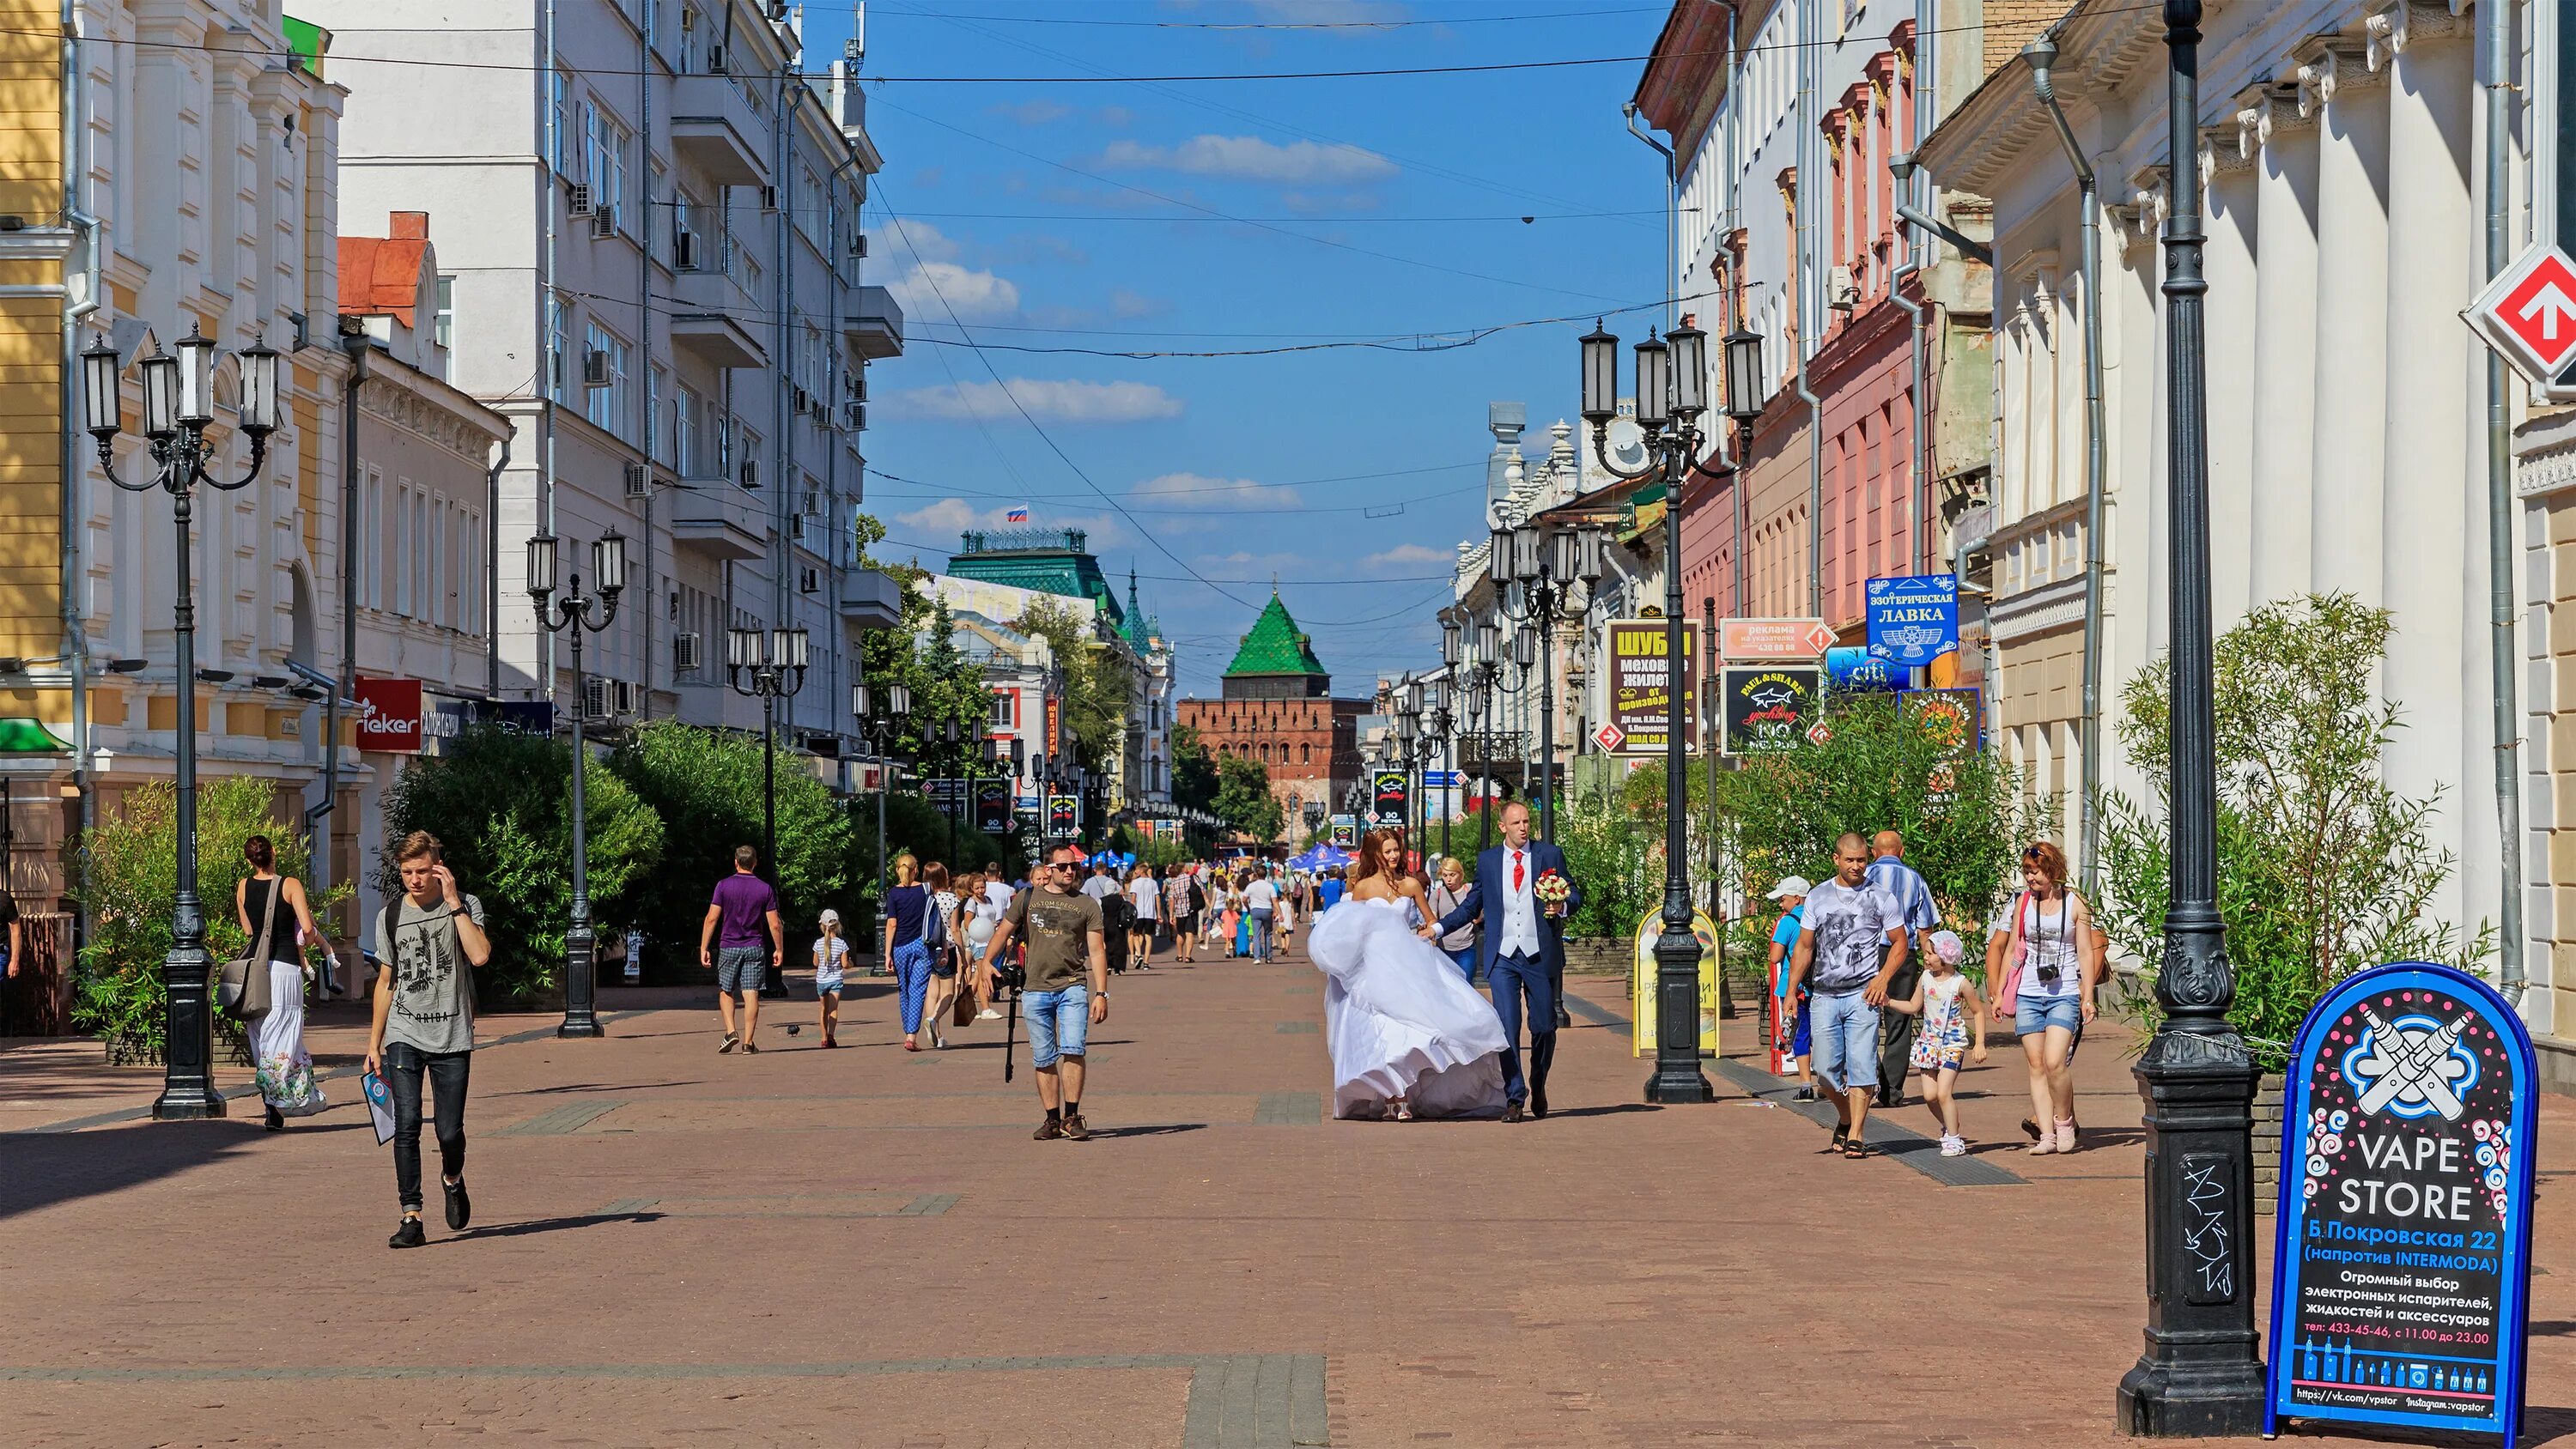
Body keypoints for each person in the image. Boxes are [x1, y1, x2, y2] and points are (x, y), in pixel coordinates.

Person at [1312, 829, 1508, 1120]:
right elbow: (1348, 928)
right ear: (1375, 854)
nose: (1393, 856)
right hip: (1373, 968)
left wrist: (1426, 935)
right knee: (1384, 1032)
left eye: (1396, 851)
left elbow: (1430, 921)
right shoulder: (1363, 887)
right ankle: (1394, 1096)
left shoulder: (1411, 884)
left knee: (1414, 1030)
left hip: (1407, 963)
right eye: (1387, 851)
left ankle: (1403, 1094)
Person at [364, 831, 491, 1249]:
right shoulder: (391, 915)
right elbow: (386, 983)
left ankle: (453, 1179)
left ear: (438, 867)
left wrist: (454, 904)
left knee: (449, 1131)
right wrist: (373, 1043)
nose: (414, 880)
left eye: (422, 871)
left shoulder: (466, 905)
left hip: (452, 1034)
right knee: (407, 1124)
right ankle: (411, 1215)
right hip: (405, 1033)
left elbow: (479, 955)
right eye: (406, 872)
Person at [1431, 800, 1582, 1123]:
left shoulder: (1549, 855)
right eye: (1516, 823)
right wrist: (1437, 928)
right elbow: (1472, 905)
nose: (1524, 828)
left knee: (1544, 1027)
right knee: (1506, 1028)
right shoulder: (1488, 861)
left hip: (1539, 954)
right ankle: (1515, 1097)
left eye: (1527, 822)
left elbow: (1574, 893)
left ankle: (1538, 1080)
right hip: (1503, 957)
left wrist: (1563, 905)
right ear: (1503, 827)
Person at [977, 842, 1110, 1141]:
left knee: (1074, 1050)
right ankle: (1052, 1119)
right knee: (1043, 1057)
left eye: (1073, 866)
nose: (1069, 871)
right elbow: (1003, 932)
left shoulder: (1087, 904)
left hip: (1072, 986)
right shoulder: (1027, 898)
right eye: (1062, 866)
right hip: (1035, 989)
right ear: (1048, 869)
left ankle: (1072, 1117)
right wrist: (985, 962)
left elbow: (1097, 951)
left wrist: (1102, 993)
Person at [1787, 834, 1909, 1160]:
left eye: (1861, 860)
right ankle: (1844, 1116)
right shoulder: (1818, 896)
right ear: (1836, 859)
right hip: (1824, 994)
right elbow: (1805, 946)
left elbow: (1900, 943)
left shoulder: (1881, 897)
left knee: (1862, 1067)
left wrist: (1883, 979)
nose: (1856, 866)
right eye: (1850, 860)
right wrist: (1791, 991)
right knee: (1824, 1071)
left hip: (1863, 996)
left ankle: (1856, 1133)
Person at [1990, 841, 2102, 1155]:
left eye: (2035, 872)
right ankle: (2046, 1135)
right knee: (2036, 1065)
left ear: (2052, 870)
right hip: (2028, 992)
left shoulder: (2075, 904)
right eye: (2026, 871)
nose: (2030, 878)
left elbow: (2084, 951)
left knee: (2055, 1062)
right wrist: (2000, 992)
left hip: (2064, 992)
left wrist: (2087, 995)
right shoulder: (2022, 903)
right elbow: (2012, 949)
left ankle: (2064, 1122)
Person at [234, 835, 328, 1130]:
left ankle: (270, 1102)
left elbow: (249, 929)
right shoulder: (291, 885)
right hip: (286, 968)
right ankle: (280, 1095)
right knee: (285, 1031)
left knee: (261, 1032)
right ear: (273, 853)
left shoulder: (243, 886)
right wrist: (311, 940)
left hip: (257, 970)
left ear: (249, 860)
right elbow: (309, 928)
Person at [1880, 928, 1987, 1155]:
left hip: (1952, 1044)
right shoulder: (1925, 978)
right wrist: (1889, 1002)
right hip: (1929, 1043)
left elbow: (1978, 1011)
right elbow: (1913, 1006)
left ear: (1946, 956)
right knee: (1930, 1096)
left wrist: (1979, 1043)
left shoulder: (1961, 984)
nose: (1926, 958)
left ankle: (1955, 1139)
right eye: (1925, 953)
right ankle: (1949, 1126)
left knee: (1943, 1092)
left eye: (1930, 954)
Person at [1865, 830, 1941, 1109]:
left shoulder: (1862, 878)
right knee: (1900, 1019)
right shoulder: (1915, 879)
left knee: (1863, 1015)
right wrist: (1929, 961)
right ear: (1902, 851)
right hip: (1902, 954)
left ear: (1873, 852)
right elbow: (1925, 927)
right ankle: (1891, 1089)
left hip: (1867, 954)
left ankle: (1868, 1076)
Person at [700, 845, 783, 1054]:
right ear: (755, 863)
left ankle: (730, 1031)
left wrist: (704, 947)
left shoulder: (723, 886)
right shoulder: (764, 889)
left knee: (726, 990)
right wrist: (779, 949)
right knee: (751, 992)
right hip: (754, 946)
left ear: (736, 862)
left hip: (729, 945)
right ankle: (748, 1042)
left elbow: (711, 919)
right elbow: (774, 924)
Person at [1765, 876, 1815, 1102]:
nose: (1780, 904)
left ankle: (1806, 1086)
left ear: (1796, 898)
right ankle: (1830, 1082)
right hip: (1820, 984)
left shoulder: (1787, 921)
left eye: (1783, 899)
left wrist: (1776, 941)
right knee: (1823, 1033)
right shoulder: (1819, 917)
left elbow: (1775, 957)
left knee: (1799, 1034)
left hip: (1795, 987)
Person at [882, 854, 934, 1052]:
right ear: (916, 869)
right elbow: (934, 918)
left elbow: (892, 924)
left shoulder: (893, 893)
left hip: (900, 947)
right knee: (918, 990)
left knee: (904, 990)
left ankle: (908, 1032)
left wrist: (887, 954)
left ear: (897, 870)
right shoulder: (926, 890)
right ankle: (911, 1035)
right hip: (922, 944)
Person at [924, 862, 962, 1047]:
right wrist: (962, 950)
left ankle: (937, 1035)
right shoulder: (951, 899)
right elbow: (954, 928)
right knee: (948, 992)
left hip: (928, 947)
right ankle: (934, 1019)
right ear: (943, 878)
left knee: (931, 992)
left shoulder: (925, 898)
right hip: (947, 947)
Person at [1427, 855, 1477, 982]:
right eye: (1445, 875)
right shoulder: (1437, 894)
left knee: (1466, 984)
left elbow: (1481, 909)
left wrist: (1479, 917)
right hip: (1444, 949)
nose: (1448, 879)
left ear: (1460, 874)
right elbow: (1431, 919)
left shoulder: (1469, 890)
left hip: (1466, 948)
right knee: (1447, 987)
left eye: (1452, 875)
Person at [1126, 864, 1160, 971]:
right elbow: (1157, 898)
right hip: (1151, 913)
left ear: (1141, 871)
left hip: (1139, 912)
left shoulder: (1135, 883)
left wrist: (1130, 911)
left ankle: (1139, 954)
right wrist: (1159, 913)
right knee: (1148, 937)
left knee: (1136, 935)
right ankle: (1146, 962)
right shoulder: (1153, 883)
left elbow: (1133, 899)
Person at [1242, 866, 1279, 963]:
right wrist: (1279, 912)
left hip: (1255, 910)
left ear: (1256, 874)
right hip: (1267, 910)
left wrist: (1248, 907)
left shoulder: (1251, 886)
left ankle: (1257, 957)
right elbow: (1275, 901)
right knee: (1268, 934)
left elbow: (1244, 899)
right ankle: (1269, 958)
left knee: (1256, 935)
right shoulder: (1270, 886)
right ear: (1266, 874)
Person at [1167, 866, 1200, 963]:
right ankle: (1188, 956)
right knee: (1190, 933)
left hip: (1179, 911)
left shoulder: (1174, 882)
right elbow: (1202, 890)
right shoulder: (1191, 879)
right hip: (1191, 909)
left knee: (1181, 933)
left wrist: (1171, 915)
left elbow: (1172, 899)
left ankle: (1180, 955)